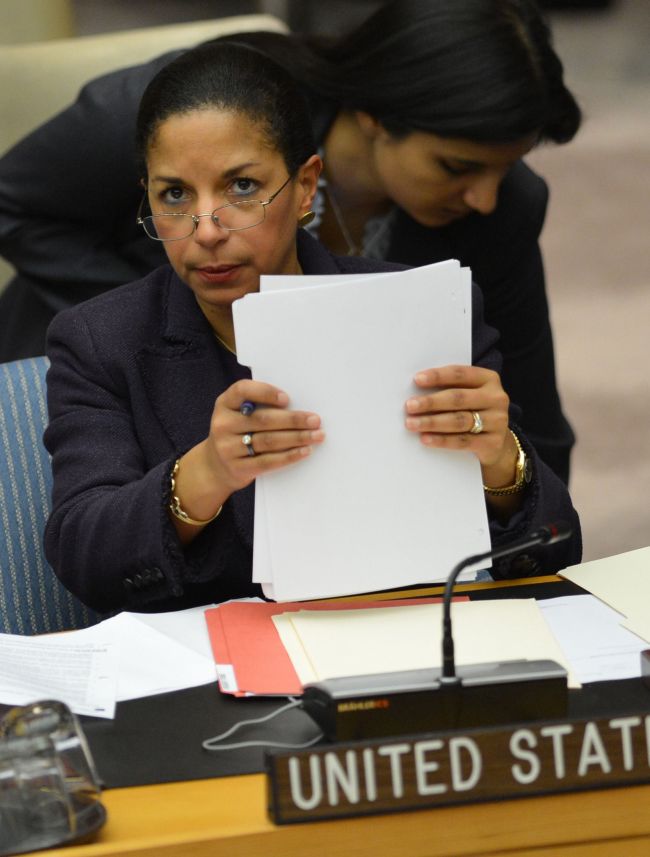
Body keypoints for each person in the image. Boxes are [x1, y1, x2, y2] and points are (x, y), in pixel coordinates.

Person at [43, 42, 581, 615]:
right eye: (174, 194)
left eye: (241, 188)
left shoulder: (414, 307)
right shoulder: (100, 340)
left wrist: (502, 463)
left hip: (407, 634)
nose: (205, 229)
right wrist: (201, 477)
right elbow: (82, 557)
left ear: (304, 188)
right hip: (213, 673)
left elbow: (556, 550)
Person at [0, 0, 581, 484]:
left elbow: (532, 417)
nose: (483, 197)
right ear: (375, 115)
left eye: (504, 170)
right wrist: (168, 319)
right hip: (93, 384)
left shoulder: (504, 206)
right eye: (457, 167)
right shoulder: (194, 114)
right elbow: (13, 200)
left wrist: (525, 506)